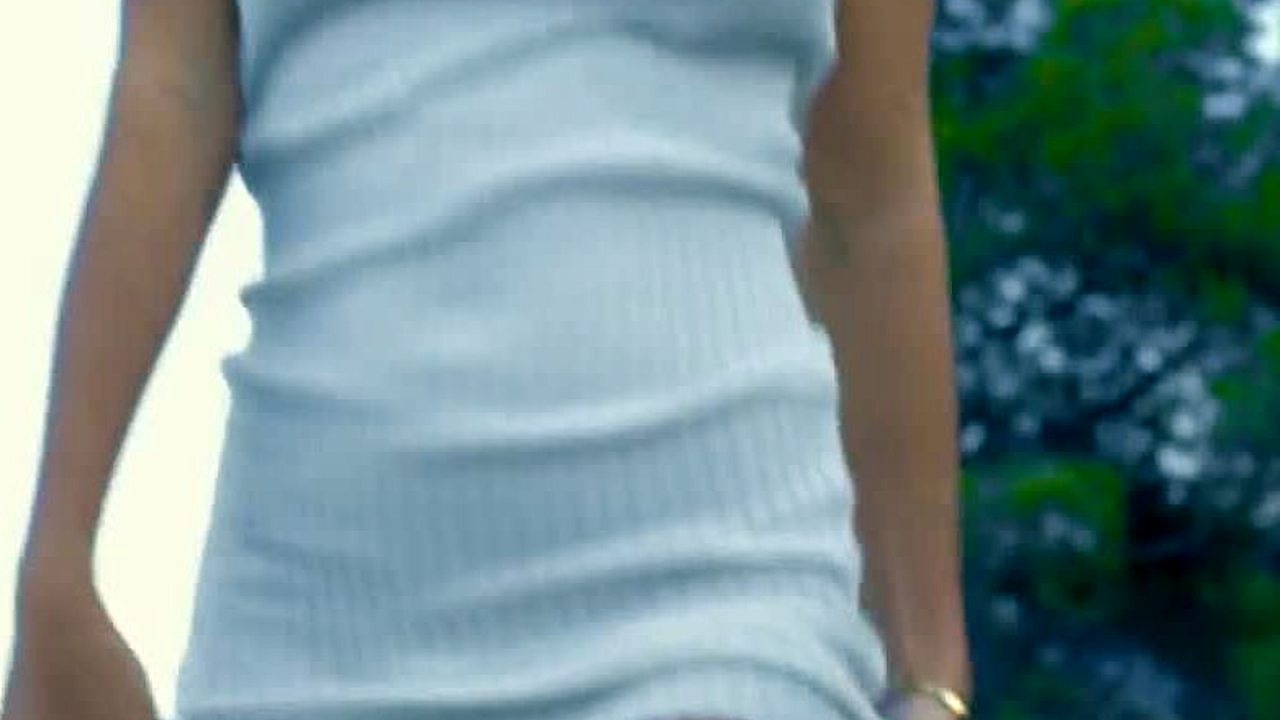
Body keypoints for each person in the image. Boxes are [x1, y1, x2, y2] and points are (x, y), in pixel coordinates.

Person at [3, 0, 970, 719]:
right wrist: (56, 569)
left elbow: (870, 196)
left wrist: (929, 674)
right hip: (306, 625)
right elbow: (169, 95)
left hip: (725, 595)